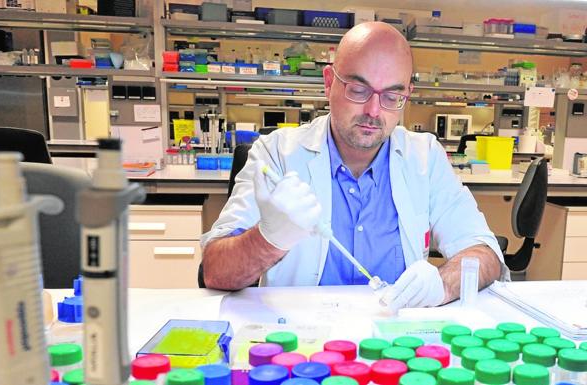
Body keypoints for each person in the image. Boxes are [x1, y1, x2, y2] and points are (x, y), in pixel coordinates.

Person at [200, 22, 508, 310]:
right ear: (329, 82)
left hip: (395, 340)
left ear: (406, 95)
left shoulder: (425, 157)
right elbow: (215, 272)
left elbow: (485, 253)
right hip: (301, 339)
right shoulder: (276, 154)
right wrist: (268, 238)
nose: (374, 111)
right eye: (359, 90)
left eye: (391, 95)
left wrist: (441, 285)